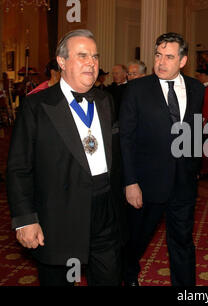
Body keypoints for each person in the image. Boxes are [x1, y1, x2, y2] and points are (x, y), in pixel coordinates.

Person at [7, 29, 126, 286]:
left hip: (104, 210)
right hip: (60, 214)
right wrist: (25, 219)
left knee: (109, 278)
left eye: (95, 57)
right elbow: (19, 167)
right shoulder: (36, 106)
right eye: (82, 56)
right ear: (61, 62)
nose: (92, 63)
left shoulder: (106, 101)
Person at [120, 32, 204, 286]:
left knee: (182, 241)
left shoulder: (197, 88)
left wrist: (194, 168)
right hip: (147, 183)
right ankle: (129, 272)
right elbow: (126, 138)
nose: (161, 62)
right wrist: (130, 182)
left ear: (183, 60)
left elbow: (195, 130)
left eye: (169, 57)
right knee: (137, 238)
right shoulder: (135, 89)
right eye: (158, 55)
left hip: (183, 182)